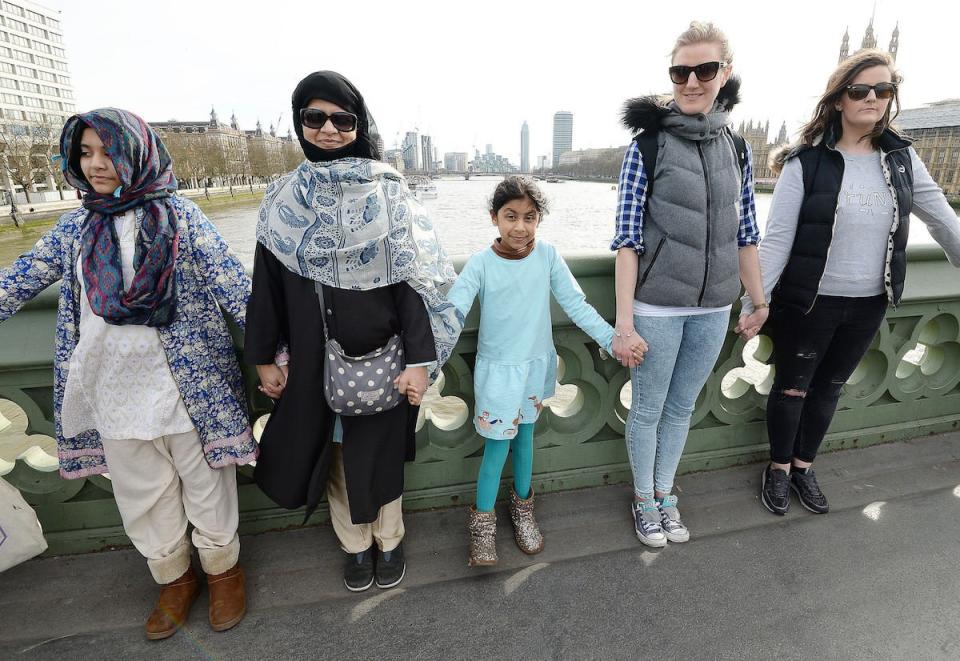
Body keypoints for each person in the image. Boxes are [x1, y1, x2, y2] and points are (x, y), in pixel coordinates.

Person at [0, 108, 253, 639]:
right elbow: (18, 280)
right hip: (109, 386)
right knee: (143, 492)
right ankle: (173, 579)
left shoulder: (181, 215)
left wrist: (278, 352)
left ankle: (223, 571)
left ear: (136, 153)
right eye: (85, 153)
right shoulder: (74, 226)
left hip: (186, 383)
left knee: (206, 483)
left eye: (106, 151)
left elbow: (233, 284)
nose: (95, 164)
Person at [246, 71, 459, 592]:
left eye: (343, 119)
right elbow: (266, 285)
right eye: (314, 118)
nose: (328, 130)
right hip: (314, 360)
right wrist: (264, 357)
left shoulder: (387, 192)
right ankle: (355, 546)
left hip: (381, 356)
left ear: (358, 125)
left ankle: (391, 539)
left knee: (382, 454)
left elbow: (412, 282)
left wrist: (418, 360)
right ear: (299, 123)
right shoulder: (281, 200)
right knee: (335, 456)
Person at [742, 49, 960, 516]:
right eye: (861, 90)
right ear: (840, 98)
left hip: (869, 302)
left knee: (830, 388)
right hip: (808, 302)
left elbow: (943, 220)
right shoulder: (806, 163)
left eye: (884, 91)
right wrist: (754, 302)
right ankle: (778, 468)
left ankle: (804, 466)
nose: (873, 99)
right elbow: (776, 241)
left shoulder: (902, 159)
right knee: (793, 388)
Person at [611, 21, 765, 547]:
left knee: (681, 409)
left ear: (725, 74)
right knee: (649, 407)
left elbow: (747, 234)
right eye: (680, 71)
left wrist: (757, 300)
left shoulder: (739, 150)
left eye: (704, 69)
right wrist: (624, 322)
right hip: (657, 306)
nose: (691, 81)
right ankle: (643, 499)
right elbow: (627, 241)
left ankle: (665, 491)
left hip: (714, 308)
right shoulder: (646, 147)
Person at [448, 175, 634, 566]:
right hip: (498, 372)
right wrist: (425, 364)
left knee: (527, 438)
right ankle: (481, 526)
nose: (520, 226)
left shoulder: (547, 254)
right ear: (494, 218)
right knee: (497, 448)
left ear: (539, 220)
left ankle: (523, 511)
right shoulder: (481, 264)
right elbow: (451, 315)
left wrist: (612, 338)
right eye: (510, 216)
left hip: (535, 367)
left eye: (530, 217)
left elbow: (577, 305)